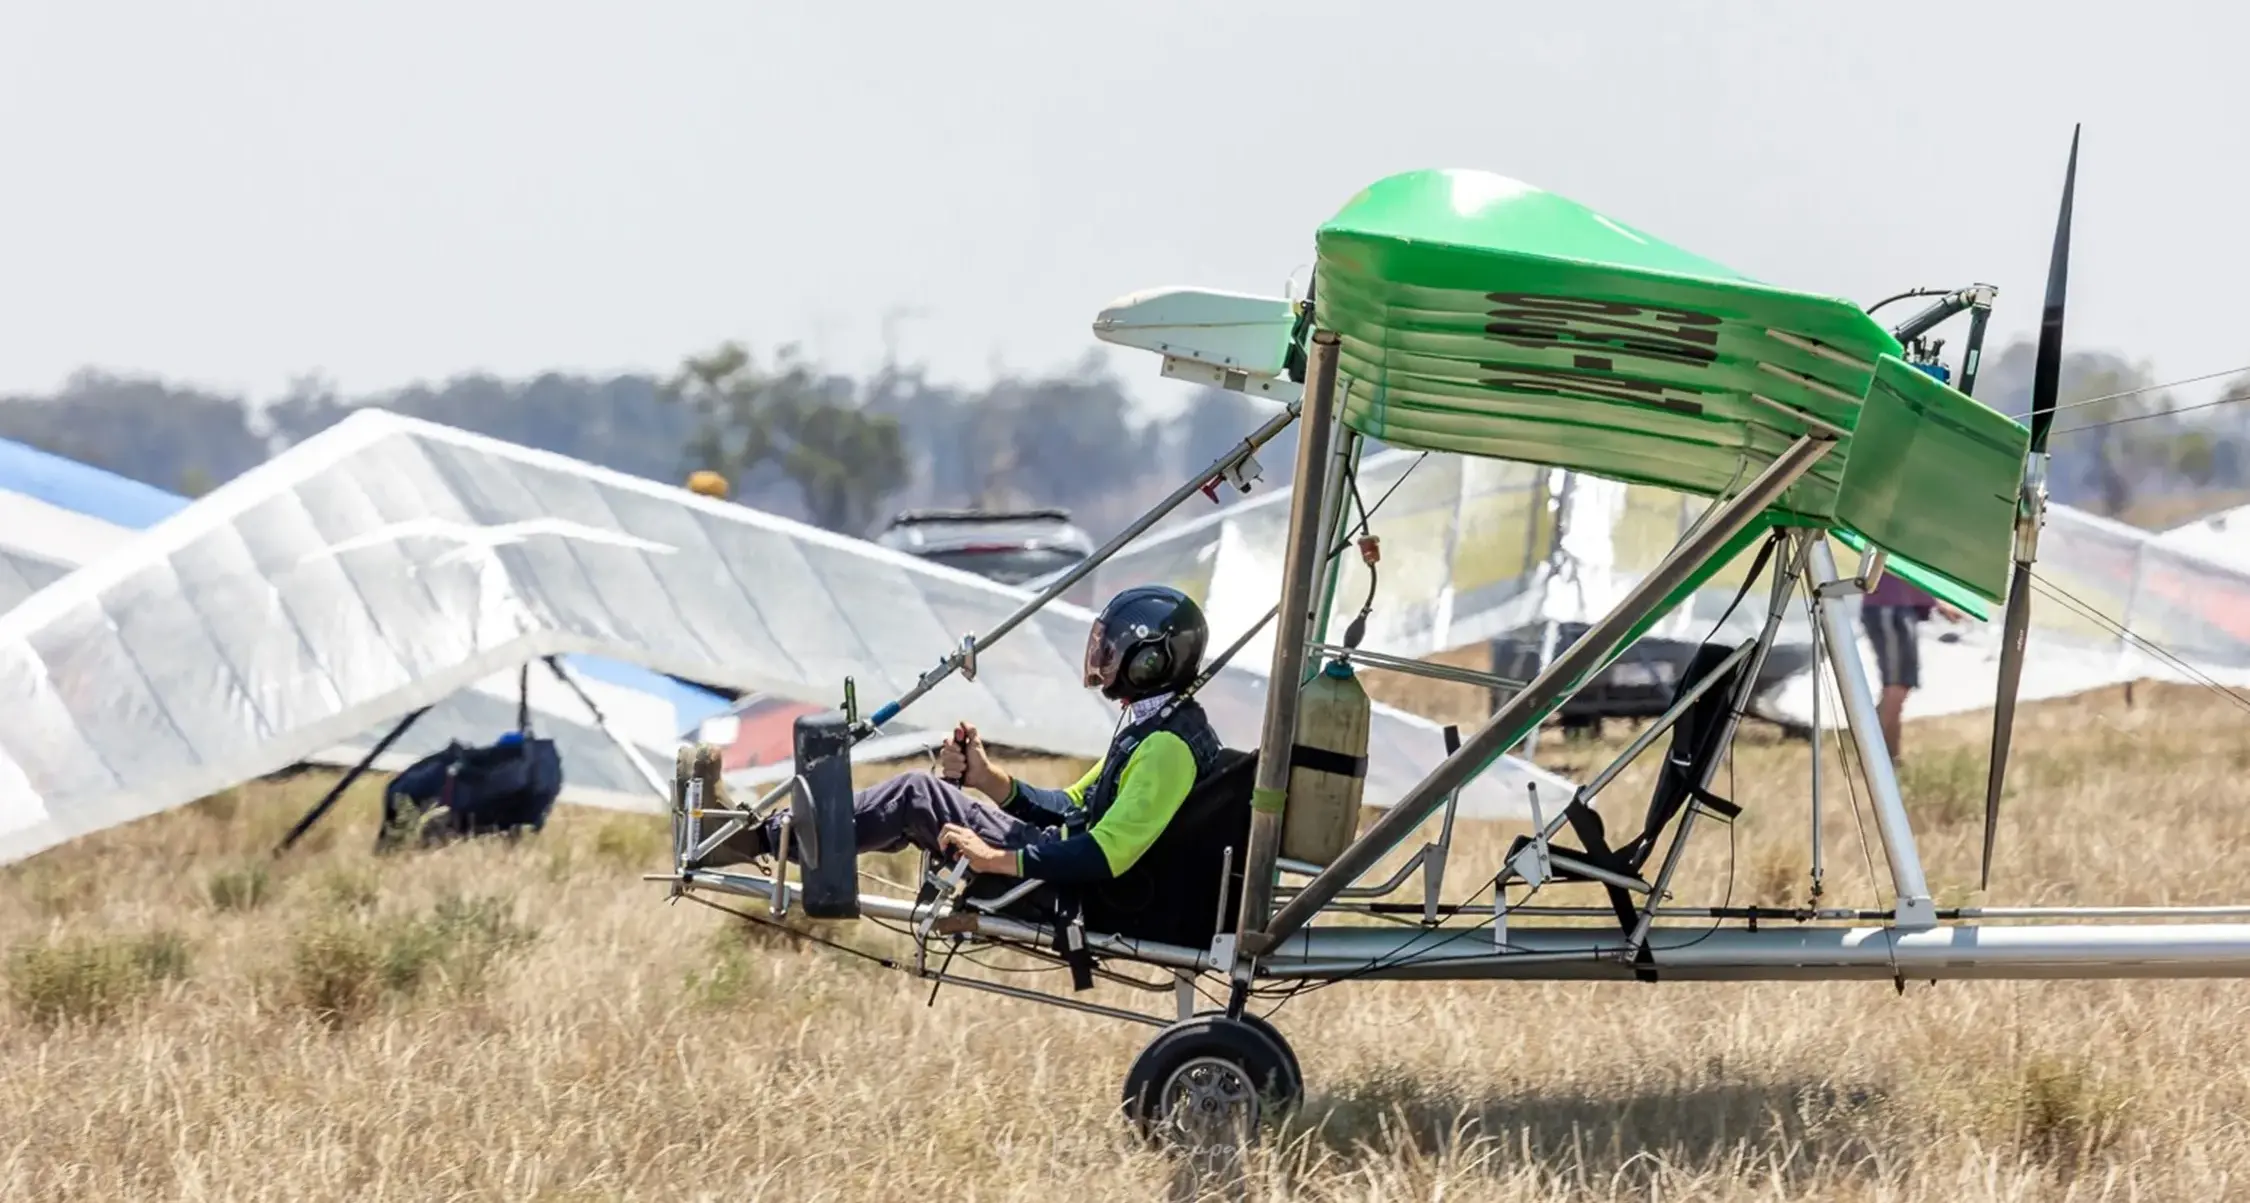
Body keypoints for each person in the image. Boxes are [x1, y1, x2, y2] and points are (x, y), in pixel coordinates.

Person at [706, 585, 1227, 887]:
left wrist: (997, 859)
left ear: (1153, 659)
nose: (1101, 662)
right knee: (919, 798)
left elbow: (1105, 854)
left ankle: (750, 839)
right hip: (1055, 854)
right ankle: (759, 836)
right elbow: (1071, 805)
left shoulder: (1165, 748)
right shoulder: (1153, 726)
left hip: (1070, 882)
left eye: (1112, 651)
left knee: (916, 795)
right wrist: (985, 777)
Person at [1861, 571, 1962, 762]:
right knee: (1895, 687)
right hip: (1888, 608)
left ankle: (1887, 756)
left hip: (1900, 608)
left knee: (1901, 686)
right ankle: (1876, 760)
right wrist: (1938, 603)